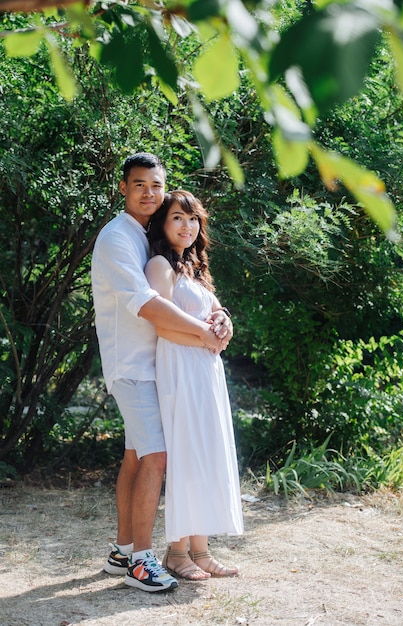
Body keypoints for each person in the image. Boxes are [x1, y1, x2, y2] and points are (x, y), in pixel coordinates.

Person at [91, 153, 232, 593]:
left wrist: (218, 315)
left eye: (156, 185)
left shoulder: (146, 237)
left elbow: (188, 292)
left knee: (137, 457)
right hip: (133, 367)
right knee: (156, 456)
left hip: (156, 368)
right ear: (123, 188)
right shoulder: (117, 238)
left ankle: (121, 549)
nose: (148, 192)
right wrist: (206, 335)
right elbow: (150, 306)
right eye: (139, 185)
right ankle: (140, 560)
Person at [145, 189, 244, 581]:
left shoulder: (195, 268)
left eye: (193, 219)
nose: (187, 226)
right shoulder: (159, 265)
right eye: (177, 218)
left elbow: (214, 311)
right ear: (163, 224)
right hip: (179, 367)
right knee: (187, 454)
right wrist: (206, 338)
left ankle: (200, 550)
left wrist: (224, 322)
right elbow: (161, 322)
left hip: (206, 370)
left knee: (206, 453)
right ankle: (175, 552)